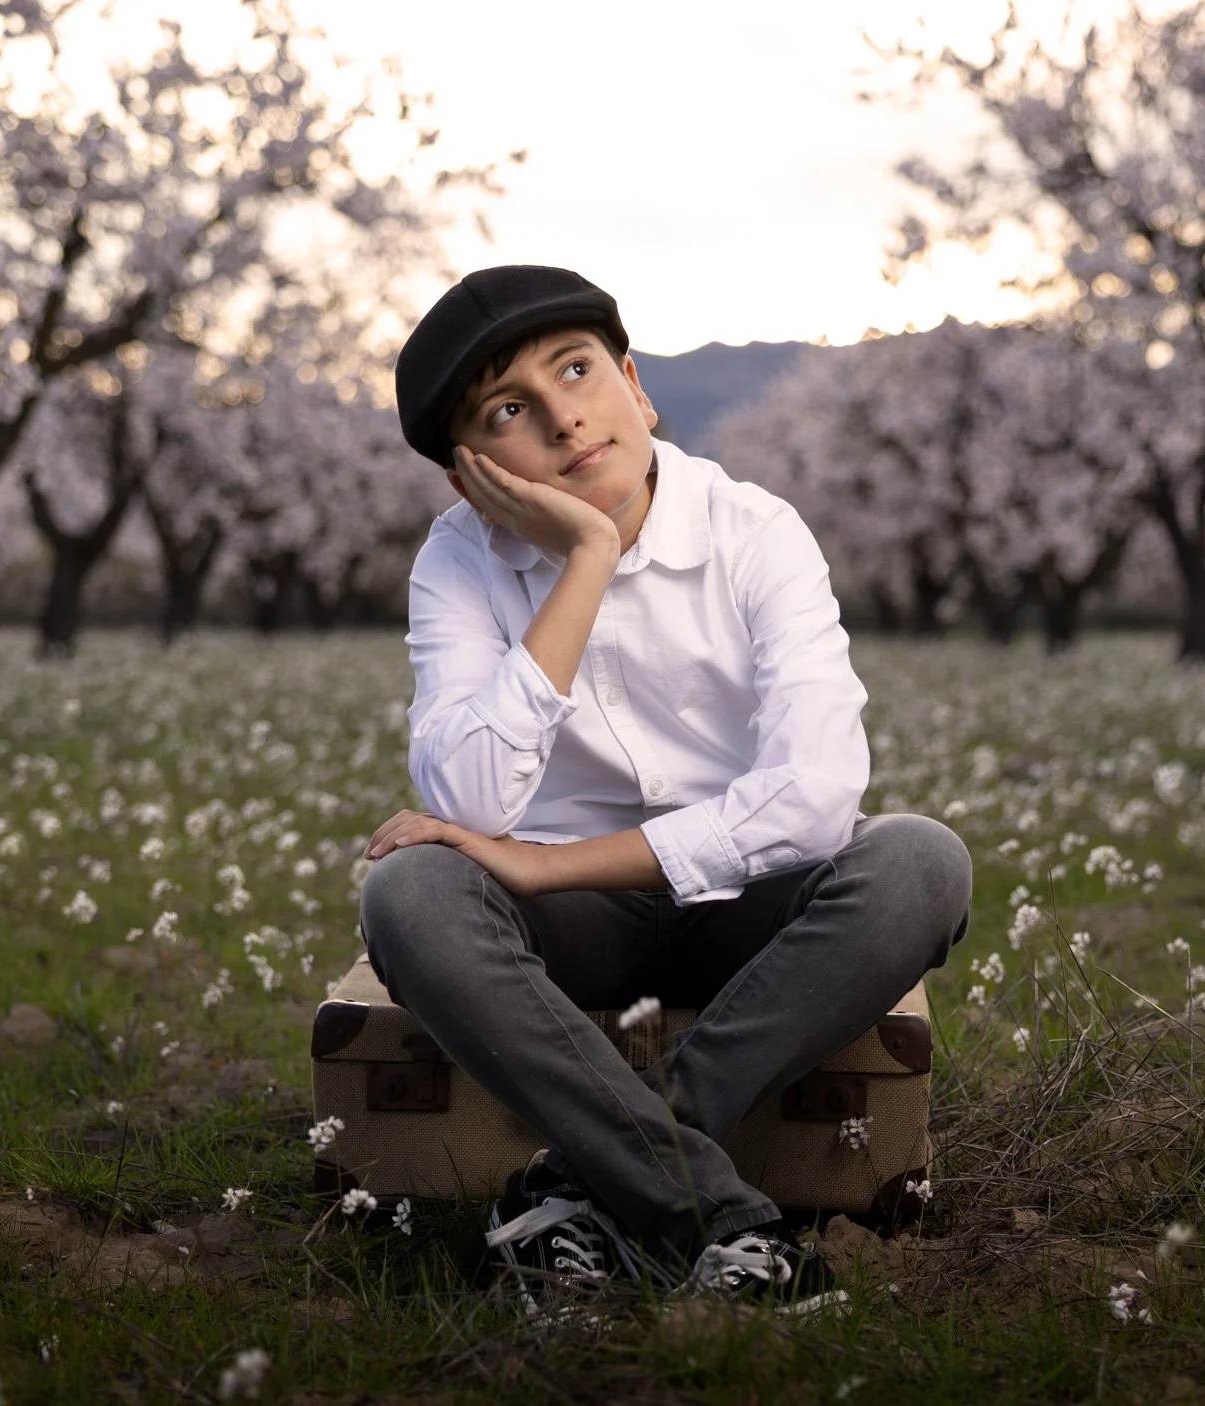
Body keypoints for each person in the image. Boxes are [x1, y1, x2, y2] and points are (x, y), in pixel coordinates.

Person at [356, 265, 972, 1316]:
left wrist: (553, 860)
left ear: (634, 385)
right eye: (510, 409)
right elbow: (469, 794)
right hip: (570, 923)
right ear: (469, 475)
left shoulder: (754, 530)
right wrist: (587, 558)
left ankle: (580, 1181)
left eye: (578, 370)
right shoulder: (455, 562)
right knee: (406, 894)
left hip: (753, 903)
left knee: (919, 859)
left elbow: (818, 795)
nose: (564, 418)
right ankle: (713, 1215)